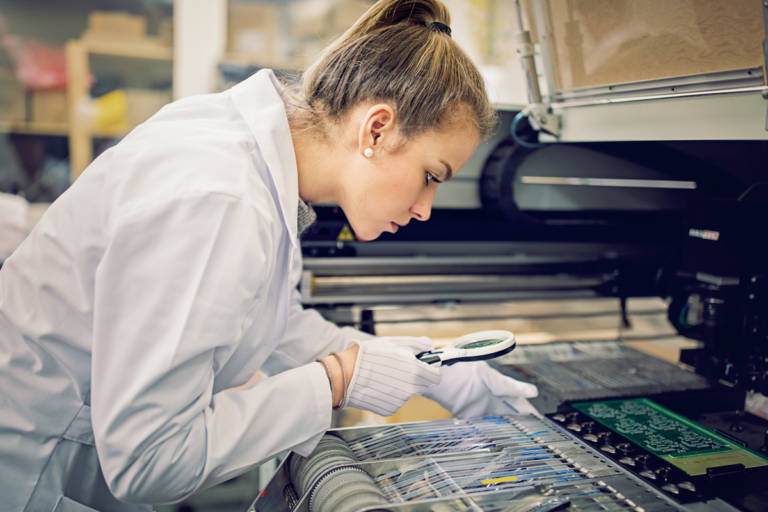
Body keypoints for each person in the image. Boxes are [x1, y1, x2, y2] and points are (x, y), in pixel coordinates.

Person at [0, 1, 537, 510]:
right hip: (30, 469)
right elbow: (150, 459)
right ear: (376, 127)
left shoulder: (255, 157)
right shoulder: (221, 197)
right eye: (430, 176)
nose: (425, 208)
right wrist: (334, 382)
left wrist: (437, 373)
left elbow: (266, 324)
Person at [0, 133, 70, 203]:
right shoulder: (5, 179)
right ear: (16, 146)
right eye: (23, 145)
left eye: (32, 144)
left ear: (43, 144)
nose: (28, 150)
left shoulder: (63, 174)